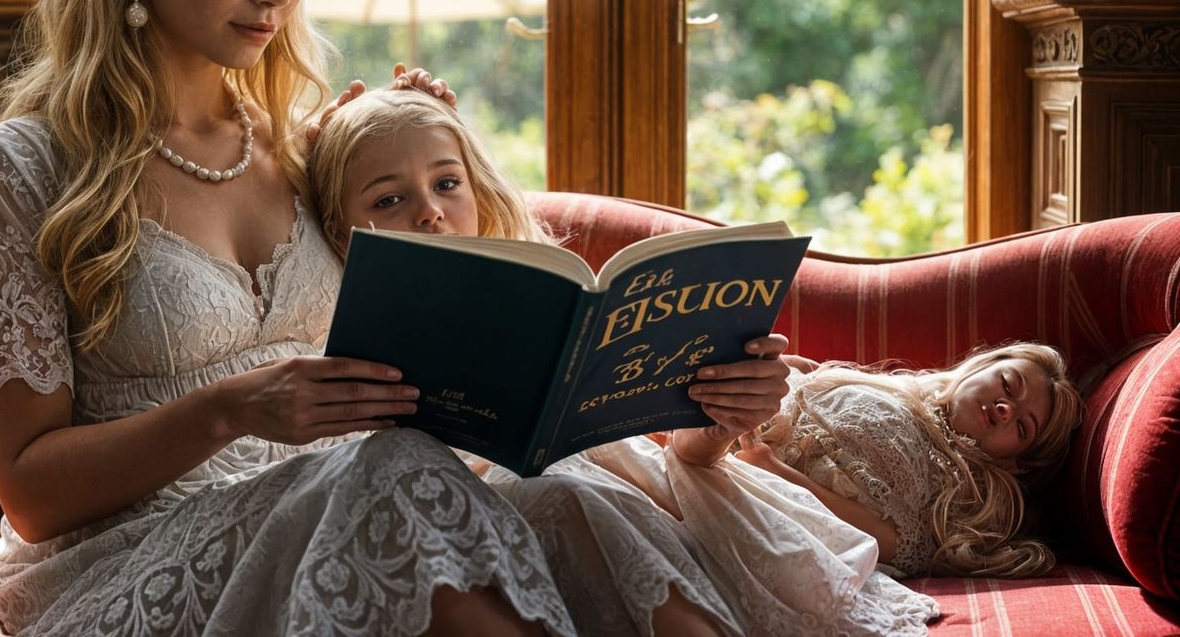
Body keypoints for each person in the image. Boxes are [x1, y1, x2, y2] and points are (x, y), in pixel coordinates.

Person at [0, 0, 794, 636]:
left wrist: (416, 146)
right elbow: (32, 494)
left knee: (570, 497)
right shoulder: (16, 172)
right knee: (395, 475)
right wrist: (228, 409)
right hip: (120, 556)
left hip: (353, 505)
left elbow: (448, 319)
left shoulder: (305, 153)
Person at [305, 87, 1084, 633]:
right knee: (569, 492)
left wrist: (717, 410)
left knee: (584, 485)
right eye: (389, 200)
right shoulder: (333, 316)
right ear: (341, 230)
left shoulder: (523, 282)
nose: (430, 211)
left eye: (447, 183)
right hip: (451, 491)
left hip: (611, 465)